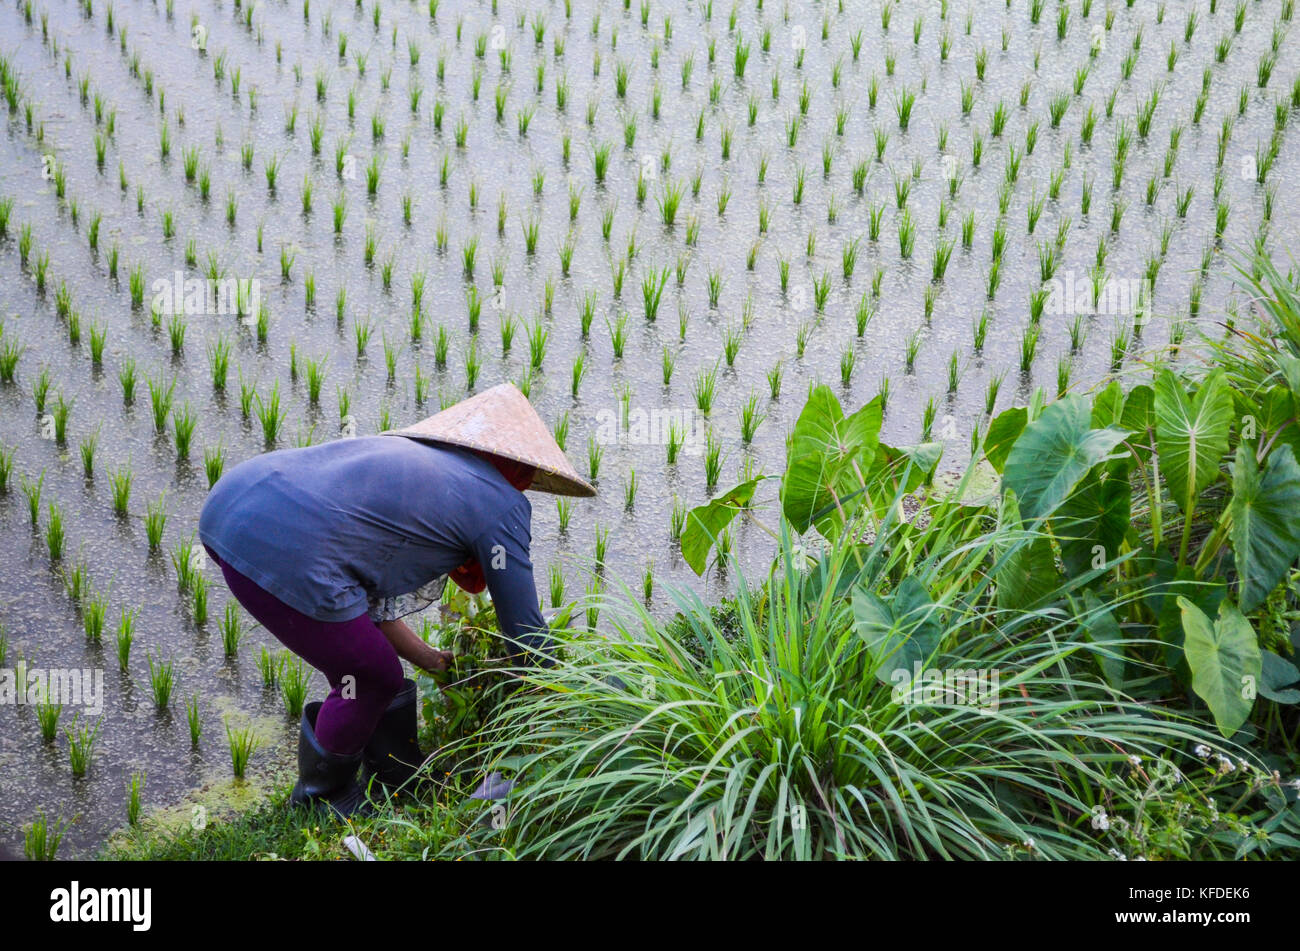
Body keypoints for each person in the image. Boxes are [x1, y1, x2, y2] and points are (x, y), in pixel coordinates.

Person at [198, 383, 595, 817]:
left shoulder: (420, 460)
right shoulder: (502, 505)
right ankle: (321, 801)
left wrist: (432, 660)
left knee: (360, 663)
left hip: (231, 504)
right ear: (520, 470)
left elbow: (365, 599)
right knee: (371, 676)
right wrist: (571, 702)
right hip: (277, 544)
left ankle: (397, 776)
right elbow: (526, 638)